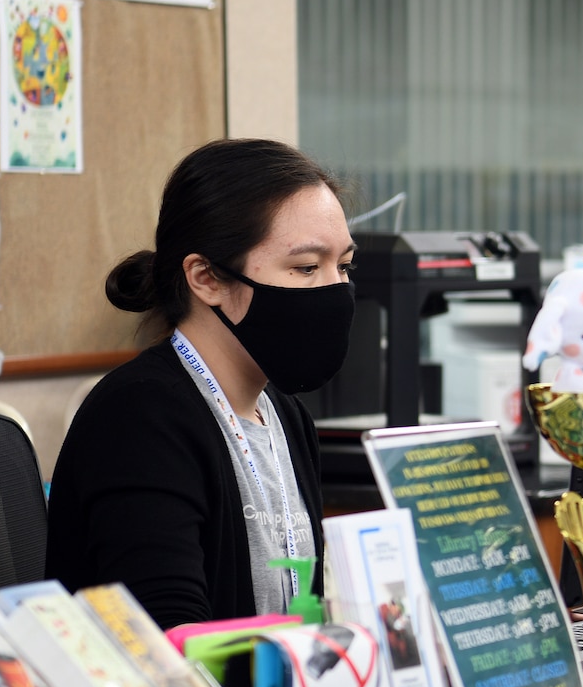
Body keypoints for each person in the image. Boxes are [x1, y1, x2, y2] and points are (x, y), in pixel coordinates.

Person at [46, 140, 356, 629]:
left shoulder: (285, 416)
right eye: (305, 268)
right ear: (207, 278)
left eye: (343, 265)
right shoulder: (139, 419)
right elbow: (168, 639)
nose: (335, 288)